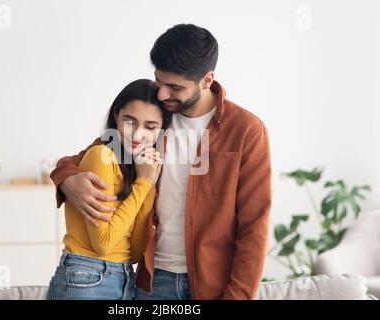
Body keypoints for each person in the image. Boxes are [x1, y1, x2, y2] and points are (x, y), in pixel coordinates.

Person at [50, 24, 272, 300]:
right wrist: (67, 179)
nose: (163, 94)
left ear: (206, 80)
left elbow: (254, 226)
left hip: (212, 285)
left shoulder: (246, 131)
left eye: (175, 87)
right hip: (152, 283)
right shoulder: (153, 118)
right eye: (159, 81)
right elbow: (76, 160)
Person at [46, 79, 171, 300]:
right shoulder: (101, 156)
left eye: (150, 127)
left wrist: (148, 186)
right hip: (86, 277)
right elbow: (103, 244)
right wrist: (143, 186)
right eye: (130, 121)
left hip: (123, 278)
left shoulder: (138, 169)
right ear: (116, 115)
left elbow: (134, 252)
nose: (138, 135)